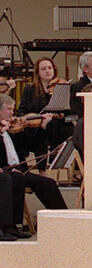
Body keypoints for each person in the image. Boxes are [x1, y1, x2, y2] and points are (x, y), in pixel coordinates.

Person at [0, 96, 67, 235]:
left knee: (48, 183)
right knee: (16, 179)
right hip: (5, 171)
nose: (13, 113)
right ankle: (12, 226)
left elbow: (33, 146)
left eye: (13, 109)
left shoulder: (13, 130)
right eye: (9, 109)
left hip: (19, 170)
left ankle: (64, 220)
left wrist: (42, 127)